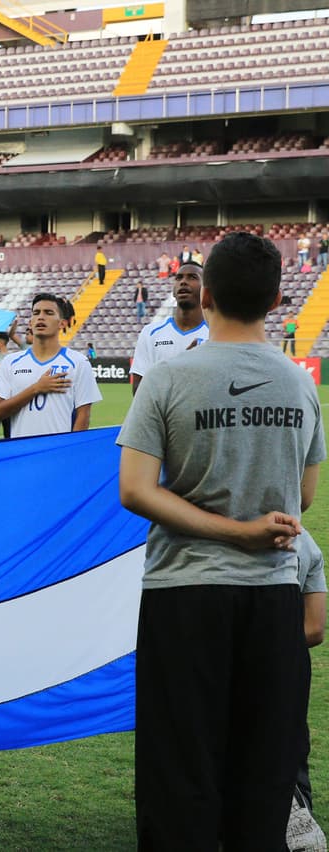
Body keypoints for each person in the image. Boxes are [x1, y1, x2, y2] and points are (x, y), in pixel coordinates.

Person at [116, 231, 325, 847]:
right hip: (271, 597)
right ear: (278, 299)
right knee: (261, 769)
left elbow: (134, 490)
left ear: (203, 295)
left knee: (180, 765)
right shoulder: (299, 383)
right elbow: (303, 497)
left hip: (185, 592)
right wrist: (254, 527)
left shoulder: (169, 378)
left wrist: (230, 528)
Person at [0, 293, 102, 438]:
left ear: (62, 323)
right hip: (22, 453)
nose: (41, 317)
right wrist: (36, 388)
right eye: (36, 313)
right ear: (30, 322)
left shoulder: (78, 362)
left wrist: (72, 450)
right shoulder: (11, 362)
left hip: (59, 454)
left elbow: (83, 415)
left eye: (49, 313)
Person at [289, 533, 327, 850]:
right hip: (289, 666)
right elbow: (315, 629)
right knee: (292, 749)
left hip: (231, 669)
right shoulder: (307, 543)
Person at [130, 261, 209, 397]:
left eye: (192, 277)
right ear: (173, 291)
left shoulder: (215, 334)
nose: (183, 282)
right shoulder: (151, 333)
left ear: (206, 290)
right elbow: (138, 389)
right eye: (179, 278)